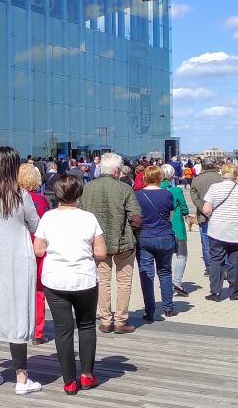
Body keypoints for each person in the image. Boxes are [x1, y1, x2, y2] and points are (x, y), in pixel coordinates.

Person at [0, 146, 42, 395]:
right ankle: (22, 378)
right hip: (17, 260)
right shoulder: (20, 195)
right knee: (16, 314)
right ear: (14, 167)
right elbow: (35, 224)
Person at [33, 174, 105, 395]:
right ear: (79, 194)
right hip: (84, 278)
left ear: (56, 194)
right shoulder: (89, 218)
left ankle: (69, 381)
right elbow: (101, 252)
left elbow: (38, 249)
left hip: (55, 279)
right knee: (86, 326)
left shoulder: (48, 218)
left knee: (63, 331)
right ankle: (87, 375)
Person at [81, 153, 141, 334]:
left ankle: (106, 320)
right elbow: (136, 218)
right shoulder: (124, 188)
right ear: (117, 170)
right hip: (122, 242)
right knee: (124, 282)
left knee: (103, 281)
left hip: (97, 243)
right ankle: (120, 321)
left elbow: (81, 214)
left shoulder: (87, 188)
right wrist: (135, 235)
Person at [201, 163, 238, 302]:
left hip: (217, 229)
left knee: (216, 260)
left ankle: (216, 292)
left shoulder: (214, 188)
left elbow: (206, 210)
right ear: (236, 174)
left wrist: (211, 215)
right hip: (237, 231)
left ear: (222, 174)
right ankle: (234, 293)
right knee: (236, 263)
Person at [134, 165, 177, 320]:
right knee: (165, 272)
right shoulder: (167, 194)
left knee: (147, 274)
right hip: (164, 235)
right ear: (160, 178)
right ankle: (168, 308)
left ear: (145, 177)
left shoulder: (138, 195)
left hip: (145, 236)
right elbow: (170, 216)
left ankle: (150, 310)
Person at [17, 163, 51, 345]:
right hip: (37, 249)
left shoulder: (13, 199)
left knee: (19, 290)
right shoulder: (41, 200)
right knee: (38, 291)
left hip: (18, 249)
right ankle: (37, 331)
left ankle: (20, 327)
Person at [160, 165, 189, 296]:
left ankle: (164, 283)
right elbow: (184, 209)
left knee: (164, 257)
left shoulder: (155, 190)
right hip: (176, 227)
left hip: (160, 229)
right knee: (182, 255)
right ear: (172, 176)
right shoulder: (176, 190)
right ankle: (177, 282)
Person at [190, 159, 223, 275]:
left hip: (204, 216)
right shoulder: (221, 178)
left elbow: (194, 198)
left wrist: (204, 209)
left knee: (206, 243)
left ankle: (210, 268)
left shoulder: (196, 180)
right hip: (220, 215)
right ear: (214, 165)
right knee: (222, 242)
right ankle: (223, 267)